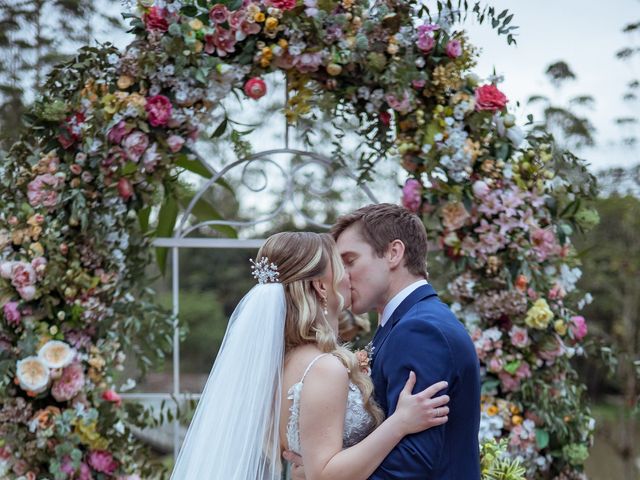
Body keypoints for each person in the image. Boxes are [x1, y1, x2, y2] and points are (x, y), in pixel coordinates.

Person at [170, 231, 450, 480]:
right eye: (341, 267)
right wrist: (399, 424)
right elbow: (325, 473)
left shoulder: (281, 363)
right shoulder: (322, 367)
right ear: (321, 286)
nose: (348, 276)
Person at [286, 204, 481, 479]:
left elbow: (414, 462)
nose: (342, 276)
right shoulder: (403, 324)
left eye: (350, 261)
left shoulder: (420, 330)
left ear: (393, 253)